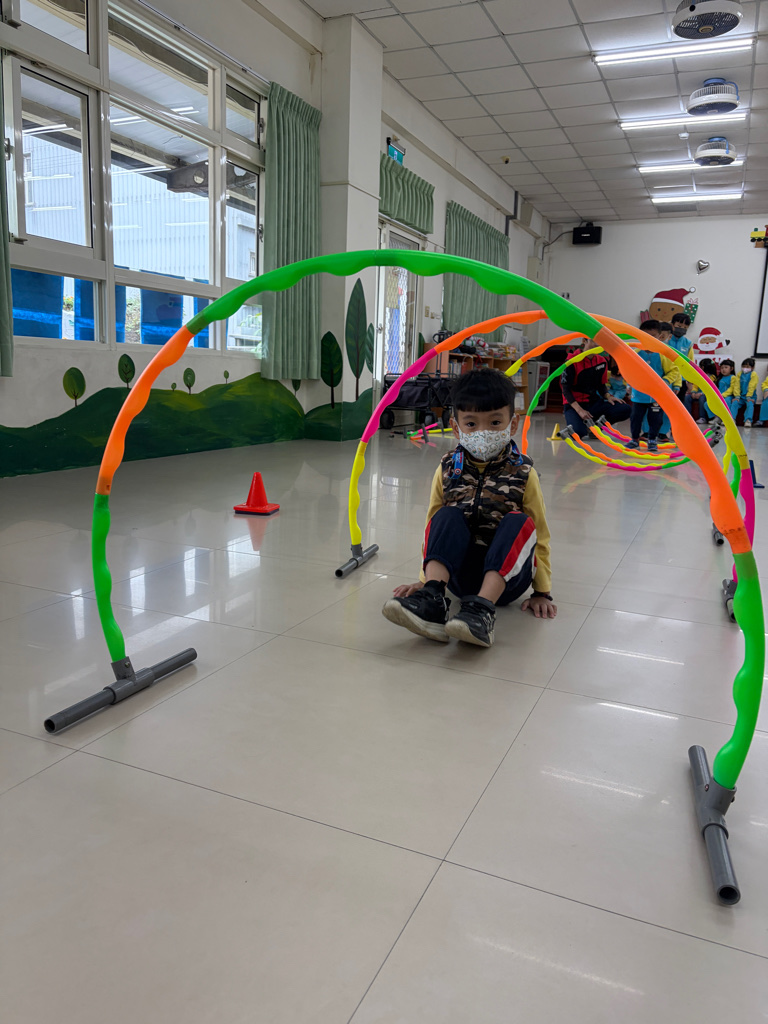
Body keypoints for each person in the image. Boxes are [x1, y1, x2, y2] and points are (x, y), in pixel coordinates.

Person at [382, 368, 555, 649]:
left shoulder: (524, 472)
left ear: (512, 424)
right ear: (456, 426)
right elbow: (433, 527)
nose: (483, 432)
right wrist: (425, 579)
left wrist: (541, 591)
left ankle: (481, 611)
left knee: (519, 522)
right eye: (471, 424)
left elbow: (540, 534)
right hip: (458, 578)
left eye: (495, 422)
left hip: (506, 582)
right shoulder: (447, 467)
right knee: (445, 515)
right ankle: (433, 599)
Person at [626, 320, 681, 453]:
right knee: (635, 417)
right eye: (644, 336)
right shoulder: (635, 353)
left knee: (655, 418)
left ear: (659, 337)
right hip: (639, 394)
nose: (648, 339)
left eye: (652, 336)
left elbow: (674, 370)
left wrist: (666, 381)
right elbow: (628, 370)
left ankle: (652, 440)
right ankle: (634, 439)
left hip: (657, 395)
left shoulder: (663, 354)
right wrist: (629, 384)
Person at [560, 336, 630, 438]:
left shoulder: (602, 361)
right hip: (574, 405)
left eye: (600, 341)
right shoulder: (571, 361)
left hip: (593, 403)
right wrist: (580, 410)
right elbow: (566, 390)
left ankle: (595, 429)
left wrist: (608, 396)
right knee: (578, 433)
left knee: (625, 409)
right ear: (584, 341)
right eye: (594, 341)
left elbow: (601, 385)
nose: (597, 344)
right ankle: (580, 425)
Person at [727, 357, 759, 427]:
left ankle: (748, 420)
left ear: (752, 367)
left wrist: (749, 396)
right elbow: (737, 385)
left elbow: (752, 386)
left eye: (747, 367)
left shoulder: (753, 374)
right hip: (741, 396)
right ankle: (732, 419)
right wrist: (737, 396)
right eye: (744, 366)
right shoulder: (739, 374)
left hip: (750, 396)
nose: (745, 368)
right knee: (735, 403)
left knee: (750, 404)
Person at [689, 358, 718, 423]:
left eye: (700, 366)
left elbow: (709, 388)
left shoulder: (713, 377)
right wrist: (693, 392)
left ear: (703, 367)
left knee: (702, 398)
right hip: (698, 393)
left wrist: (701, 393)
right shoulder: (699, 376)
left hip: (706, 394)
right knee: (687, 397)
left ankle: (702, 417)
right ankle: (688, 416)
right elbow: (695, 385)